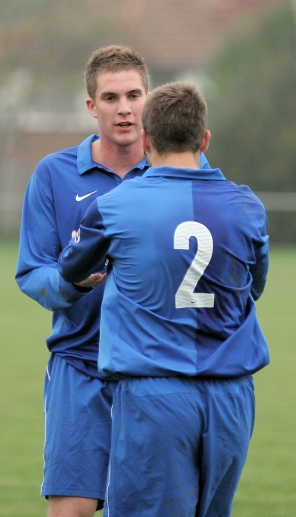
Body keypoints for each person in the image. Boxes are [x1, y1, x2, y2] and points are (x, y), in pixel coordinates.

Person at [58, 81, 270, 517]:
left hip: (154, 393)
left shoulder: (115, 205)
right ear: (204, 140)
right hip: (232, 397)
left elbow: (71, 269)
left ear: (147, 139)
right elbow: (254, 288)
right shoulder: (248, 206)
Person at [15, 45, 210, 516]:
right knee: (72, 510)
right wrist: (74, 283)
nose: (123, 108)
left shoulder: (185, 170)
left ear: (149, 99)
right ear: (91, 106)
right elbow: (30, 271)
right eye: (109, 97)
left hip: (157, 369)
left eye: (133, 95)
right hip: (80, 364)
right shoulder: (53, 174)